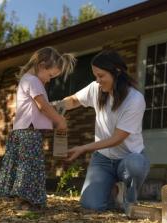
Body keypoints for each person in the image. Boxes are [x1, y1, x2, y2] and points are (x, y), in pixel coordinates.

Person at [59, 50, 150, 213]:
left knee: (136, 164)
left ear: (117, 72)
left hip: (128, 158)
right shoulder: (97, 88)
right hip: (103, 159)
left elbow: (117, 138)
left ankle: (129, 198)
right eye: (95, 76)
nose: (97, 80)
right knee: (91, 206)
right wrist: (56, 107)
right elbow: (74, 100)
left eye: (101, 76)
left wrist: (83, 148)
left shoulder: (135, 100)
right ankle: (112, 192)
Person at [0, 47, 76, 210]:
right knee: (29, 167)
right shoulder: (33, 81)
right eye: (50, 75)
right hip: (28, 132)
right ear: (41, 65)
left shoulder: (29, 80)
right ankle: (26, 202)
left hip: (24, 131)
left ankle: (25, 200)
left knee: (27, 166)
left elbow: (39, 108)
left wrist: (55, 112)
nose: (49, 80)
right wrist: (59, 120)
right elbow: (42, 106)